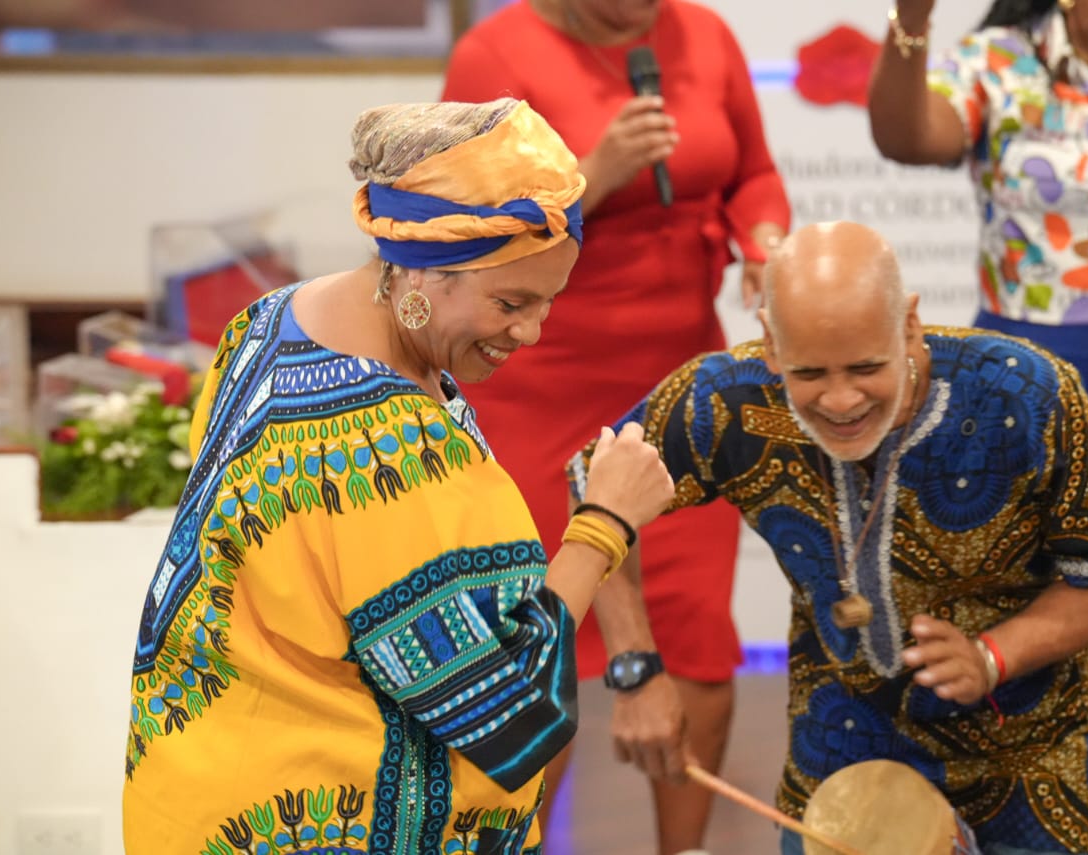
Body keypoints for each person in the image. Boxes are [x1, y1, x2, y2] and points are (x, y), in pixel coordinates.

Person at [120, 97, 676, 855]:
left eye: (549, 302)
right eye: (510, 302)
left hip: (205, 790)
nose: (531, 331)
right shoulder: (388, 451)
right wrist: (604, 522)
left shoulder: (269, 321)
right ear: (419, 268)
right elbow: (511, 717)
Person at [568, 221, 1088, 855]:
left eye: (866, 367)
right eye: (809, 373)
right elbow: (594, 484)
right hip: (841, 742)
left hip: (1030, 752)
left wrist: (993, 655)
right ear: (770, 343)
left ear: (909, 325)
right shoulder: (726, 402)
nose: (841, 399)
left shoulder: (1025, 393)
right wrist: (634, 669)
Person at [865, 2, 1088, 851]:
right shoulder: (1000, 62)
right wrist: (910, 23)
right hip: (1049, 384)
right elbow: (907, 138)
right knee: (1087, 622)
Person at [440, 3, 791, 849]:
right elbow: (459, 232)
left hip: (676, 391)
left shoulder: (703, 35)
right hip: (538, 390)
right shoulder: (495, 54)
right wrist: (592, 175)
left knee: (696, 631)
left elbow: (753, 173)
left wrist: (765, 242)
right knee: (533, 642)